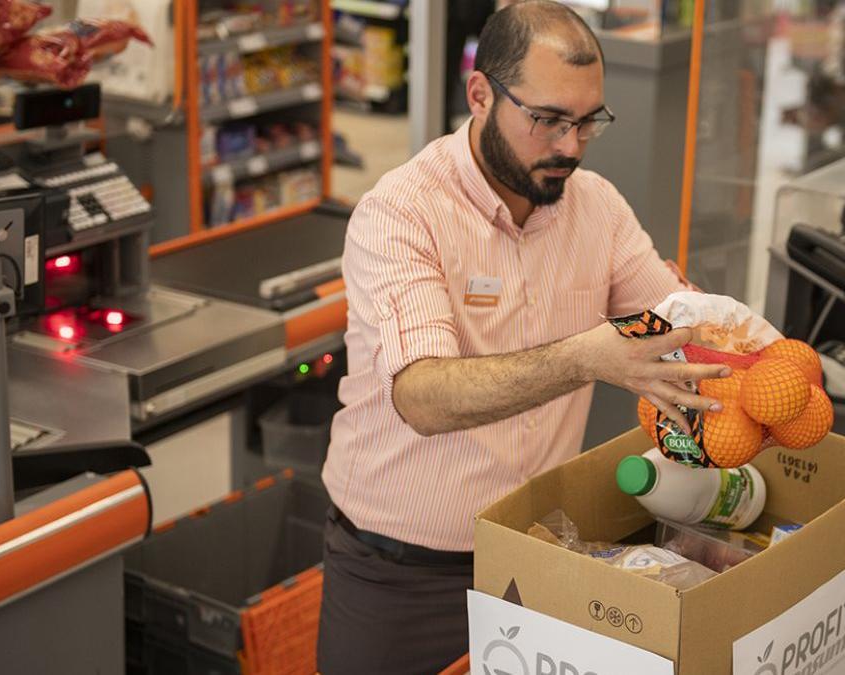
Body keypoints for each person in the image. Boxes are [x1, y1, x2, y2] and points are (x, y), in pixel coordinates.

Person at [317, 2, 740, 672]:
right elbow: (423, 395)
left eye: (587, 121)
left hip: (536, 555)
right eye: (546, 120)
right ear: (480, 93)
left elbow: (682, 323)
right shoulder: (402, 213)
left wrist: (768, 363)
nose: (569, 145)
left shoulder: (595, 207)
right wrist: (586, 357)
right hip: (400, 578)